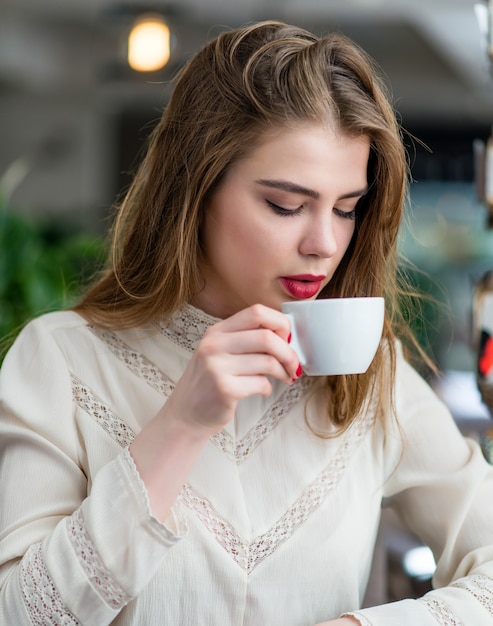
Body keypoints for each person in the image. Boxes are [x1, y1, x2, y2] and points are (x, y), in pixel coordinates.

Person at [1, 19, 492, 626]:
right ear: (197, 188)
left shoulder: (370, 374)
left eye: (346, 209)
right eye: (285, 205)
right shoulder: (60, 360)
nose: (323, 243)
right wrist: (180, 424)